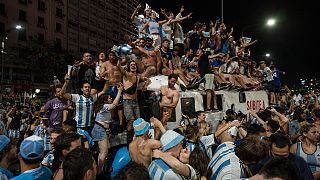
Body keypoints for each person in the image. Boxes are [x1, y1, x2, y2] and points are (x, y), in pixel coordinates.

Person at [91, 83, 123, 174]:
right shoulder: (104, 106)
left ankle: (102, 168)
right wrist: (119, 91)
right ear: (105, 100)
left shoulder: (102, 107)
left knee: (105, 150)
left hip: (101, 130)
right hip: (99, 130)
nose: (111, 99)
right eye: (109, 98)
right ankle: (99, 172)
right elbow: (114, 104)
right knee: (103, 152)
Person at [117, 60, 150, 133]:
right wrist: (120, 58)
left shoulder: (138, 76)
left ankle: (135, 137)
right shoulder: (126, 74)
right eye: (131, 64)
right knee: (131, 120)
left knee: (137, 121)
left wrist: (145, 85)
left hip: (135, 101)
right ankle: (128, 137)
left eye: (134, 64)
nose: (133, 65)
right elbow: (119, 66)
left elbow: (148, 80)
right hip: (127, 101)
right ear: (128, 66)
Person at [99, 51, 125, 131]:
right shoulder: (105, 64)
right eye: (110, 55)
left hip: (118, 85)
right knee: (110, 104)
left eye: (113, 55)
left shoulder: (118, 63)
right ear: (108, 56)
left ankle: (121, 123)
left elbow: (124, 73)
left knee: (120, 105)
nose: (112, 57)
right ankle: (110, 121)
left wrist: (119, 64)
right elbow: (101, 75)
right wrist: (107, 71)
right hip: (109, 86)